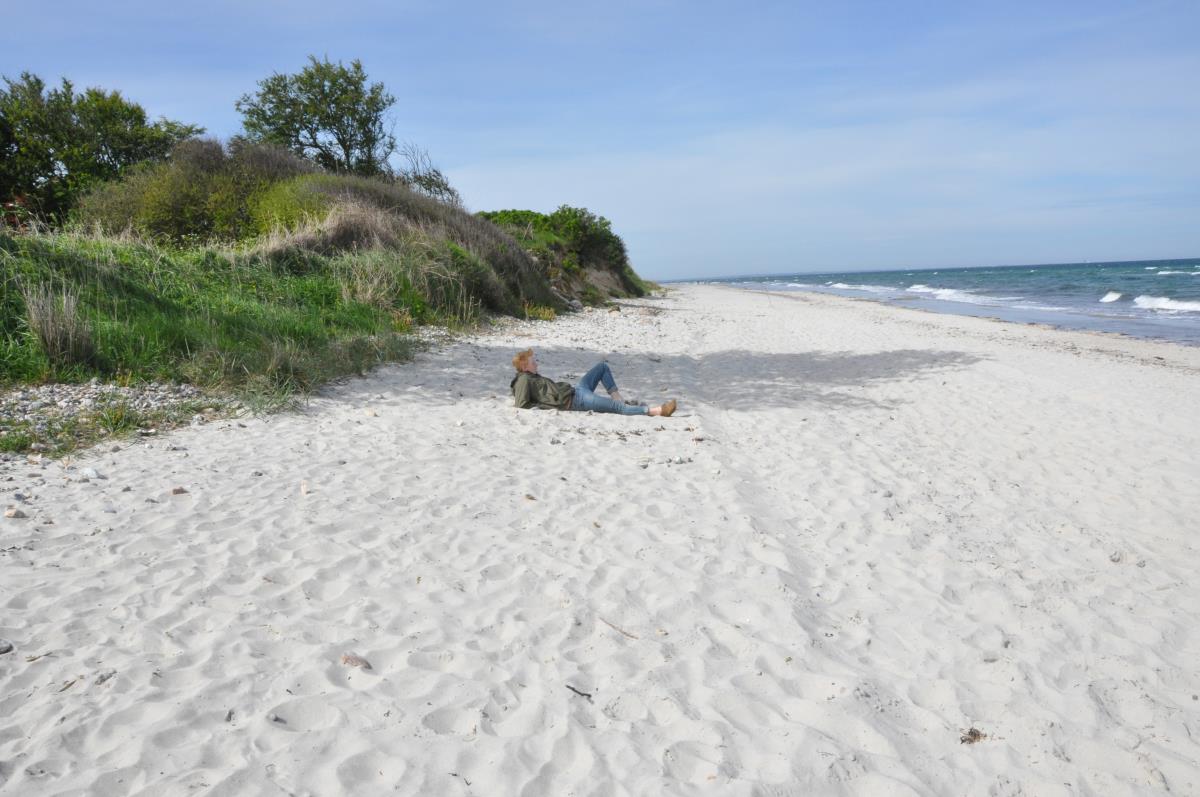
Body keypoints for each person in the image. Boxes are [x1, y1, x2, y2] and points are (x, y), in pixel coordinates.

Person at [510, 349, 677, 417]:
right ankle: (657, 411)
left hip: (577, 390)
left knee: (602, 367)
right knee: (617, 409)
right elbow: (522, 404)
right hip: (576, 401)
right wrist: (547, 406)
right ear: (524, 366)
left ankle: (617, 397)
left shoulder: (531, 377)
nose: (536, 364)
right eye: (533, 362)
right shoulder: (524, 380)